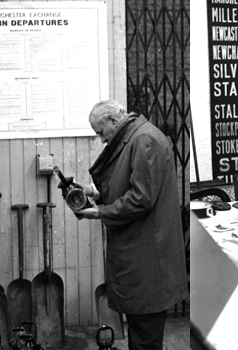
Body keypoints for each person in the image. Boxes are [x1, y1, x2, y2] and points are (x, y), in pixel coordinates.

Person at [72, 100, 187, 350]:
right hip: (140, 260)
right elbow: (127, 185)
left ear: (114, 121)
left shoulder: (144, 140)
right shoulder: (135, 137)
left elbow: (141, 197)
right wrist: (93, 192)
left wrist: (98, 213)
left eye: (101, 132)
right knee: (140, 336)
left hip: (148, 265)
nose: (101, 140)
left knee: (145, 340)